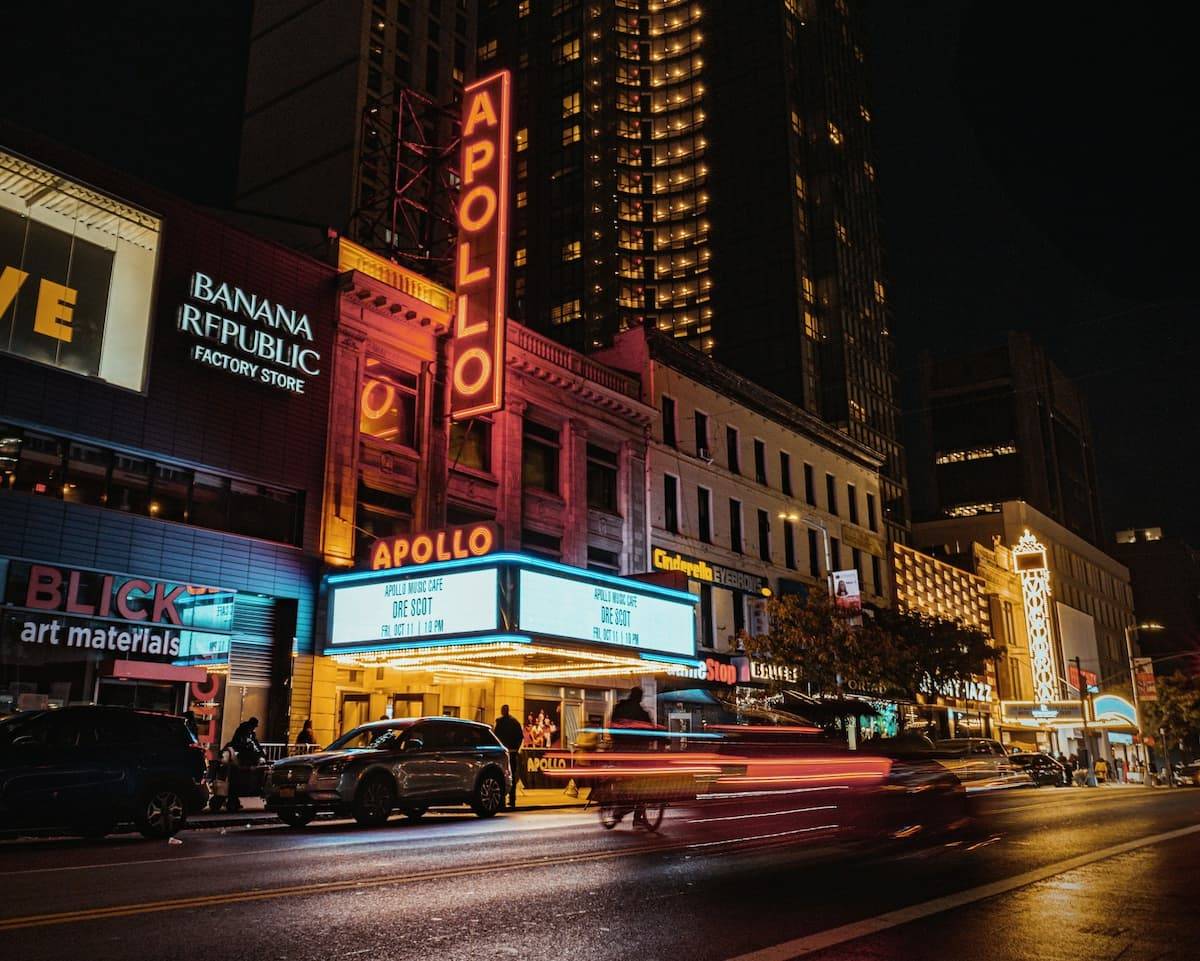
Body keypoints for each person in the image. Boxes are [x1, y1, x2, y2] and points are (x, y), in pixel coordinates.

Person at [494, 705, 525, 810]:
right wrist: (515, 748)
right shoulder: (515, 722)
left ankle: (502, 800)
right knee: (511, 776)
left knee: (501, 776)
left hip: (502, 753)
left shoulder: (500, 722)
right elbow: (520, 736)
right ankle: (512, 799)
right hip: (511, 752)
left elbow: (496, 737)